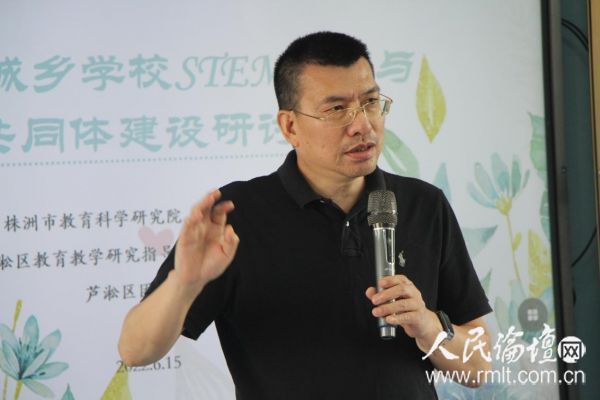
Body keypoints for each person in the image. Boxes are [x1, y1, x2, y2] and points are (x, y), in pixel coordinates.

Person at [118, 31, 492, 399]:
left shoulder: (424, 204)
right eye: (336, 109)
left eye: (370, 102)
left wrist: (428, 325)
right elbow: (135, 351)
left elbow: (478, 367)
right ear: (290, 126)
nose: (362, 125)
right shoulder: (237, 215)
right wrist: (184, 283)